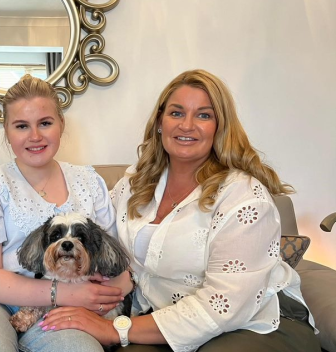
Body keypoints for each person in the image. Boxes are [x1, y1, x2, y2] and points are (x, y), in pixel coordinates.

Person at [38, 69, 320, 351]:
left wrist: (116, 328)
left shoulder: (243, 197)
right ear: (160, 122)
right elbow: (97, 237)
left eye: (204, 115)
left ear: (220, 127)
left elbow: (224, 306)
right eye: (176, 113)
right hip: (159, 318)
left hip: (254, 322)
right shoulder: (134, 184)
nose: (187, 125)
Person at [0, 75, 133, 352]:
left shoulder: (90, 182)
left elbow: (115, 264)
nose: (35, 136)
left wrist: (105, 293)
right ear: (7, 130)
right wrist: (66, 293)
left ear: (61, 124)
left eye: (45, 123)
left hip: (69, 305)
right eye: (21, 126)